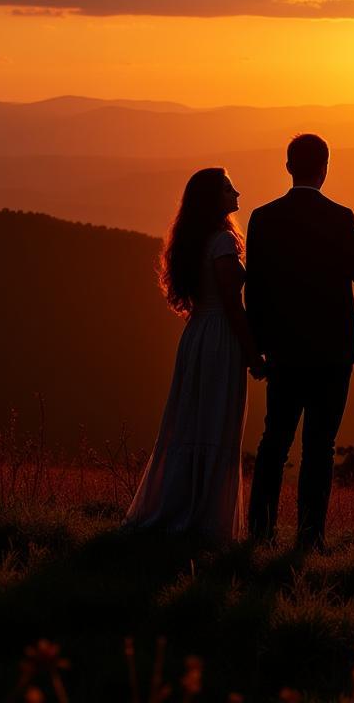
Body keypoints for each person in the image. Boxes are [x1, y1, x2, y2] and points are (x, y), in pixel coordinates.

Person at [246, 133, 354, 550]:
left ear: (288, 167)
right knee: (320, 446)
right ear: (325, 168)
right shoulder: (340, 217)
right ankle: (309, 538)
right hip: (332, 353)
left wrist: (257, 348)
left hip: (282, 350)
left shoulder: (263, 218)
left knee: (274, 442)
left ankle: (259, 534)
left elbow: (256, 291)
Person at [125, 168, 265, 542]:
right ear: (214, 198)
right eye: (228, 187)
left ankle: (182, 504)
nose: (237, 191)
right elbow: (233, 305)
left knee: (193, 420)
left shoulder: (195, 240)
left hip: (198, 335)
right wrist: (253, 353)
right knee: (217, 421)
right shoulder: (222, 242)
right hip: (220, 337)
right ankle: (204, 517)